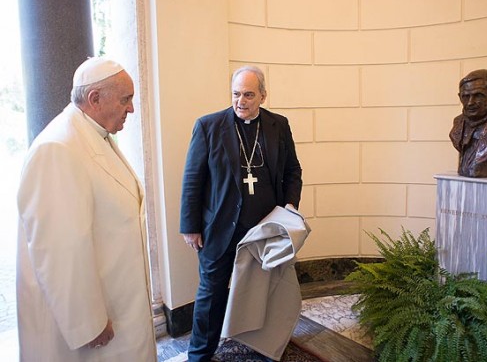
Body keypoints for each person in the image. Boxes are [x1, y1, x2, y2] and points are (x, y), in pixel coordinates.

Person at [16, 57, 157, 361]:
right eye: (125, 99)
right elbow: (58, 250)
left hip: (118, 301)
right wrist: (88, 323)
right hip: (93, 326)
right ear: (95, 99)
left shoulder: (92, 133)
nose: (131, 108)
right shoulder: (57, 148)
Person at [180, 65, 303, 361]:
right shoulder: (208, 126)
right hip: (219, 226)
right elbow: (192, 179)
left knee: (266, 288)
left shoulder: (278, 125)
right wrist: (190, 225)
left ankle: (264, 345)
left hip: (264, 228)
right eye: (236, 94)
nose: (241, 101)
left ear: (263, 95)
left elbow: (292, 171)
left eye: (249, 94)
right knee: (211, 292)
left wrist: (289, 206)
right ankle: (199, 354)